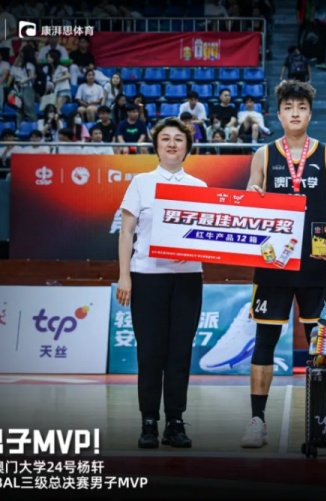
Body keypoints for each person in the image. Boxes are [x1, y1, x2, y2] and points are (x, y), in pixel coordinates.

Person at [240, 80, 326, 448]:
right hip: (273, 261)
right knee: (265, 341)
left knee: (324, 345)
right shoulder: (263, 154)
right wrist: (252, 196)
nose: (295, 113)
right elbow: (251, 198)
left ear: (310, 113)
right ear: (279, 114)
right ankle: (257, 421)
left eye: (301, 107)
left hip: (316, 260)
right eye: (288, 107)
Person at [116, 117, 206, 449]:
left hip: (188, 280)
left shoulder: (199, 187)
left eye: (178, 139)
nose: (172, 144)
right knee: (150, 353)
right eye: (165, 138)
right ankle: (149, 422)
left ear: (187, 147)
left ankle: (176, 422)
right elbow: (127, 232)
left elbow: (207, 236)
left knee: (180, 353)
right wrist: (124, 275)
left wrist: (192, 249)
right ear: (156, 145)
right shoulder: (141, 183)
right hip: (147, 278)